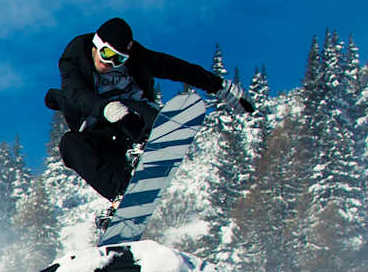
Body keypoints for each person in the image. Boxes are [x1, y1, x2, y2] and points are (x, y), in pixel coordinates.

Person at [45, 18, 234, 201]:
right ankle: (121, 192)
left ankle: (147, 144)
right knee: (70, 144)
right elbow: (77, 93)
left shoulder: (138, 58)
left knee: (130, 112)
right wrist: (107, 109)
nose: (110, 63)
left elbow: (177, 68)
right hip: (102, 133)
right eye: (107, 54)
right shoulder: (74, 58)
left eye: (119, 59)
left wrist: (219, 87)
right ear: (97, 44)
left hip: (138, 119)